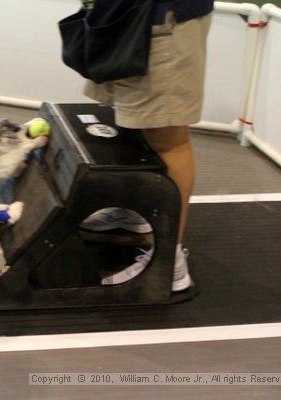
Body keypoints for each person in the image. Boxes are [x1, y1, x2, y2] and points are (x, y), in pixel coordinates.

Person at [79, 0, 214, 292]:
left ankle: (169, 261)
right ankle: (138, 214)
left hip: (164, 18)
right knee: (135, 121)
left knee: (169, 138)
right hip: (126, 15)